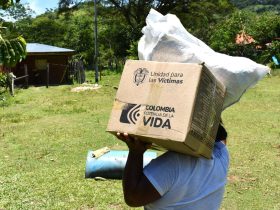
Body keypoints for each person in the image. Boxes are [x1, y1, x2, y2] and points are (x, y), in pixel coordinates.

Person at [116, 122, 229, 210]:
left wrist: (135, 152)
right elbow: (222, 138)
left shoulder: (174, 164)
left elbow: (133, 198)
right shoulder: (222, 154)